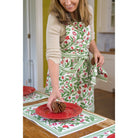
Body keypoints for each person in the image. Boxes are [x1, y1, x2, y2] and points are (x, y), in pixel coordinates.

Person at [45, 0, 107, 112]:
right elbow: (53, 54)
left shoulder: (88, 11)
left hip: (84, 75)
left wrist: (96, 51)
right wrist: (55, 88)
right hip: (63, 78)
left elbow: (90, 39)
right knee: (62, 115)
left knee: (85, 114)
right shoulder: (54, 17)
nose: (67, 2)